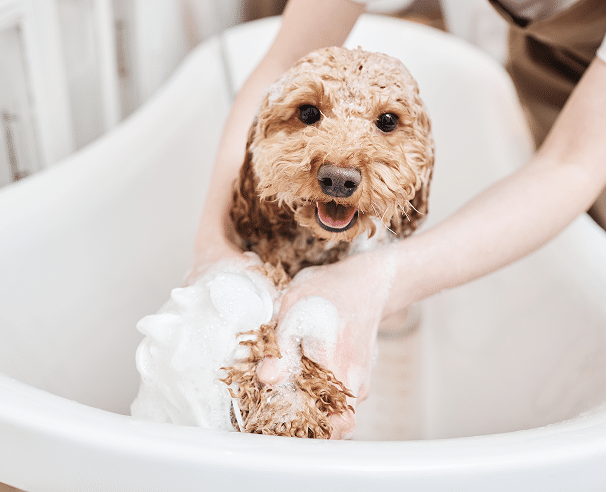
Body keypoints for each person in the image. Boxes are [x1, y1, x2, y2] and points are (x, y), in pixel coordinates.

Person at [191, 0, 606, 439]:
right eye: (311, 116)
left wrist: (385, 280)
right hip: (552, 77)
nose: (339, 172)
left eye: (386, 122)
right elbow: (280, 63)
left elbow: (573, 164)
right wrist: (212, 240)